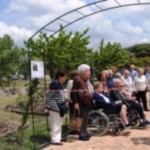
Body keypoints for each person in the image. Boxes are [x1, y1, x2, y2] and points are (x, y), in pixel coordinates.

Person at [44, 69, 68, 145]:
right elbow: (49, 95)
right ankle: (55, 140)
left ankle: (58, 138)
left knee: (59, 123)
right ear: (60, 77)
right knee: (55, 123)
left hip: (60, 107)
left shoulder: (60, 84)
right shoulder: (55, 83)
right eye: (65, 76)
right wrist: (47, 107)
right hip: (55, 107)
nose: (66, 78)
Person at [71, 64, 93, 141]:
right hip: (80, 103)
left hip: (85, 103)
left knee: (85, 119)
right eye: (87, 71)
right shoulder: (77, 79)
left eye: (89, 71)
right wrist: (75, 102)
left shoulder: (84, 80)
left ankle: (84, 131)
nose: (89, 73)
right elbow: (73, 92)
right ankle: (82, 134)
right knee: (81, 118)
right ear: (82, 72)